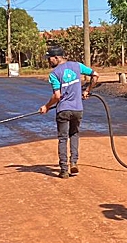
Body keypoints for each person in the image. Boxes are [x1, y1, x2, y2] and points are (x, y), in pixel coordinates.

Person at [39, 45, 99, 178]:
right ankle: (74, 163)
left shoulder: (54, 74)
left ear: (56, 57)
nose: (49, 61)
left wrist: (46, 107)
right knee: (74, 134)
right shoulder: (77, 66)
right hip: (78, 108)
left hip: (63, 110)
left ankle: (64, 169)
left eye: (50, 59)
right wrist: (87, 91)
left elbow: (57, 96)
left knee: (62, 138)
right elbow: (95, 75)